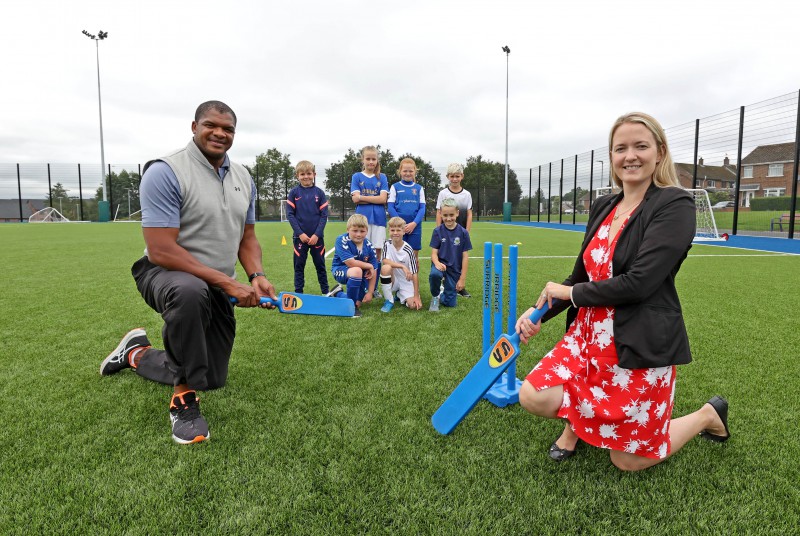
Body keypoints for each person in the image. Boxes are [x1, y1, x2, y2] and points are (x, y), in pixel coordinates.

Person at [514, 112, 730, 471]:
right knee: (532, 395)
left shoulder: (675, 205)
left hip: (638, 344)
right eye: (621, 148)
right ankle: (577, 426)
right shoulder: (603, 206)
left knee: (627, 461)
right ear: (612, 158)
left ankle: (708, 415)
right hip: (586, 338)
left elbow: (640, 283)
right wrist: (537, 312)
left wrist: (569, 295)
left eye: (640, 146)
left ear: (659, 152)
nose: (630, 155)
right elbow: (579, 276)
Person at [99, 100, 277, 445]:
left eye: (228, 129)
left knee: (210, 375)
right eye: (211, 125)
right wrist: (228, 283)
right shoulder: (165, 171)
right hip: (164, 273)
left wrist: (256, 275)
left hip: (215, 283)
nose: (219, 134)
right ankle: (183, 401)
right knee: (190, 292)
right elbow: (162, 249)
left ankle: (135, 353)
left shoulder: (243, 176)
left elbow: (248, 237)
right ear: (194, 126)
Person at [286, 160, 330, 295]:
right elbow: (290, 215)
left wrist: (317, 234)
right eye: (302, 174)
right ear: (297, 176)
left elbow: (324, 216)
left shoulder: (320, 193)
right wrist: (300, 234)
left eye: (309, 173)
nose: (306, 176)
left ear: (314, 174)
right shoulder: (293, 193)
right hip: (300, 239)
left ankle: (325, 292)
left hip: (317, 239)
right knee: (299, 267)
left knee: (320, 266)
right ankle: (299, 294)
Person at [330, 214, 380, 317]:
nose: (358, 234)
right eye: (355, 231)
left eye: (362, 231)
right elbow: (350, 263)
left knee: (359, 301)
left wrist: (370, 292)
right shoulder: (341, 240)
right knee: (357, 270)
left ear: (367, 231)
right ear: (348, 229)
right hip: (340, 270)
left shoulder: (369, 245)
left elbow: (374, 269)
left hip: (359, 274)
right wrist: (369, 266)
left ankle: (337, 293)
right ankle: (351, 307)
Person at [436, 163, 473, 297]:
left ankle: (460, 286)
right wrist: (438, 230)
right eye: (452, 176)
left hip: (460, 232)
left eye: (457, 176)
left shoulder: (466, 194)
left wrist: (467, 231)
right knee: (444, 257)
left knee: (459, 259)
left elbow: (469, 213)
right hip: (445, 232)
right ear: (448, 177)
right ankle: (443, 284)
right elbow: (439, 212)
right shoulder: (443, 193)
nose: (455, 179)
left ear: (462, 176)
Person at [429, 198, 472, 312]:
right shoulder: (437, 231)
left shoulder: (463, 233)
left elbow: (465, 256)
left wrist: (462, 279)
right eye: (445, 215)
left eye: (451, 215)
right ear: (440, 214)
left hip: (454, 269)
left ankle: (444, 293)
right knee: (435, 274)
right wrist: (437, 263)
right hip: (441, 265)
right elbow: (433, 253)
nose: (448, 218)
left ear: (457, 213)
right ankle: (435, 296)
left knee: (450, 304)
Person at [350, 146, 388, 263]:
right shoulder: (356, 176)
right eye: (368, 159)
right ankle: (362, 280)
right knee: (361, 251)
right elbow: (355, 200)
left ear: (377, 160)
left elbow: (383, 199)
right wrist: (375, 198)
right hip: (361, 219)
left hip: (379, 218)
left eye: (373, 159)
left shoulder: (382, 177)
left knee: (377, 252)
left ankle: (375, 280)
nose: (371, 162)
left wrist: (361, 197)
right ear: (363, 160)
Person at [379, 216, 423, 312]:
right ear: (389, 231)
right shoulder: (386, 243)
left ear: (403, 232)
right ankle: (389, 300)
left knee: (414, 306)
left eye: (398, 230)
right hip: (394, 279)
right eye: (392, 230)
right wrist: (402, 266)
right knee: (385, 268)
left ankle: (400, 294)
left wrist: (416, 295)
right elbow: (385, 261)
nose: (395, 233)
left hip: (406, 280)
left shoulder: (408, 249)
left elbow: (414, 273)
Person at [387, 157, 426, 263]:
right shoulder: (395, 187)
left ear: (415, 172)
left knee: (413, 258)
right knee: (397, 256)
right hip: (398, 228)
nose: (408, 173)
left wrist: (414, 223)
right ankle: (397, 280)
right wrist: (401, 224)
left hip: (415, 227)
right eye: (405, 171)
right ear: (400, 171)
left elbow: (422, 208)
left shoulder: (419, 188)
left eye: (410, 171)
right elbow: (390, 207)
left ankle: (413, 279)